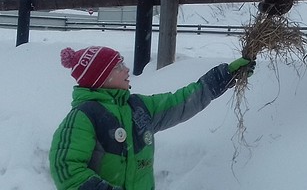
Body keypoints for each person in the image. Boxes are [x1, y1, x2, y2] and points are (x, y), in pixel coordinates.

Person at [49, 45, 254, 190]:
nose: (127, 69)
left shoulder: (138, 107)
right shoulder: (82, 117)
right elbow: (65, 167)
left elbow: (181, 102)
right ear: (101, 78)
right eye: (118, 67)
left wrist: (223, 77)